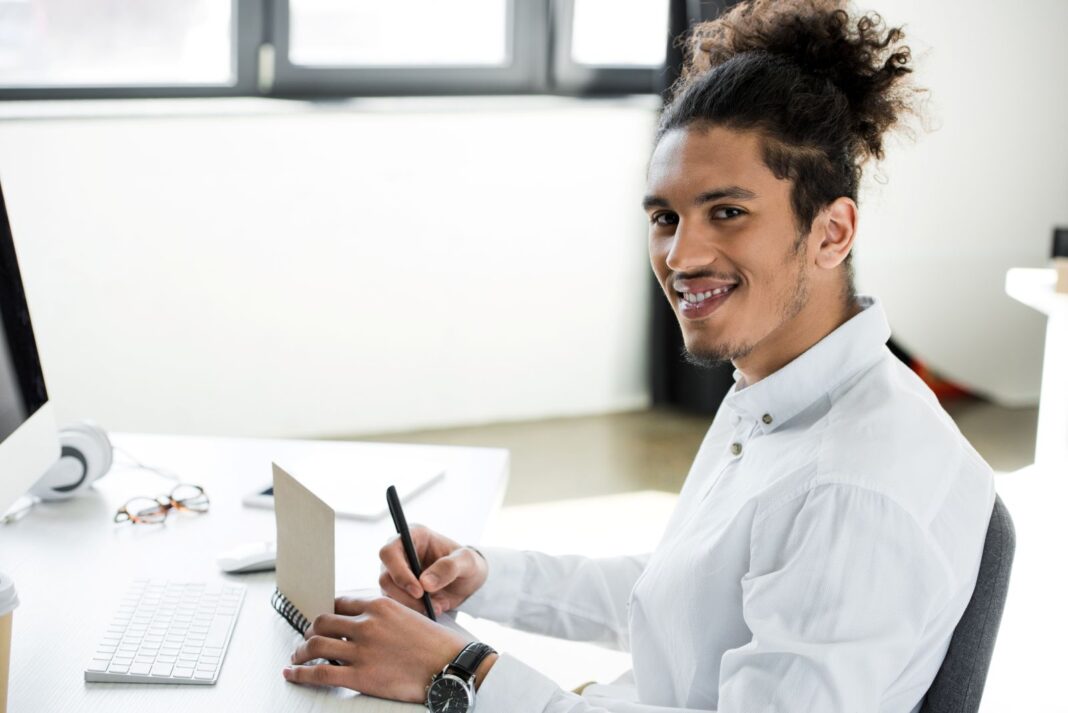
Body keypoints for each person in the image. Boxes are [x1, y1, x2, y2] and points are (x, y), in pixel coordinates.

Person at [282, 1, 996, 710]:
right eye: (665, 218)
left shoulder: (851, 490)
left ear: (832, 232)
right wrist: (486, 576)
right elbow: (688, 597)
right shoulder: (779, 390)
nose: (681, 257)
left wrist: (463, 671)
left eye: (727, 211)